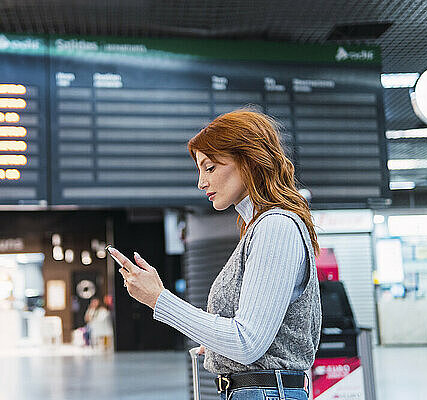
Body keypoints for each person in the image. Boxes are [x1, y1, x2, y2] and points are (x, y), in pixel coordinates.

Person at [108, 109, 322, 400]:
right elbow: (256, 338)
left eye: (210, 168)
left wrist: (158, 299)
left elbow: (248, 343)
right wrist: (216, 341)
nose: (201, 182)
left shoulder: (275, 227)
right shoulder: (261, 227)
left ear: (248, 161)